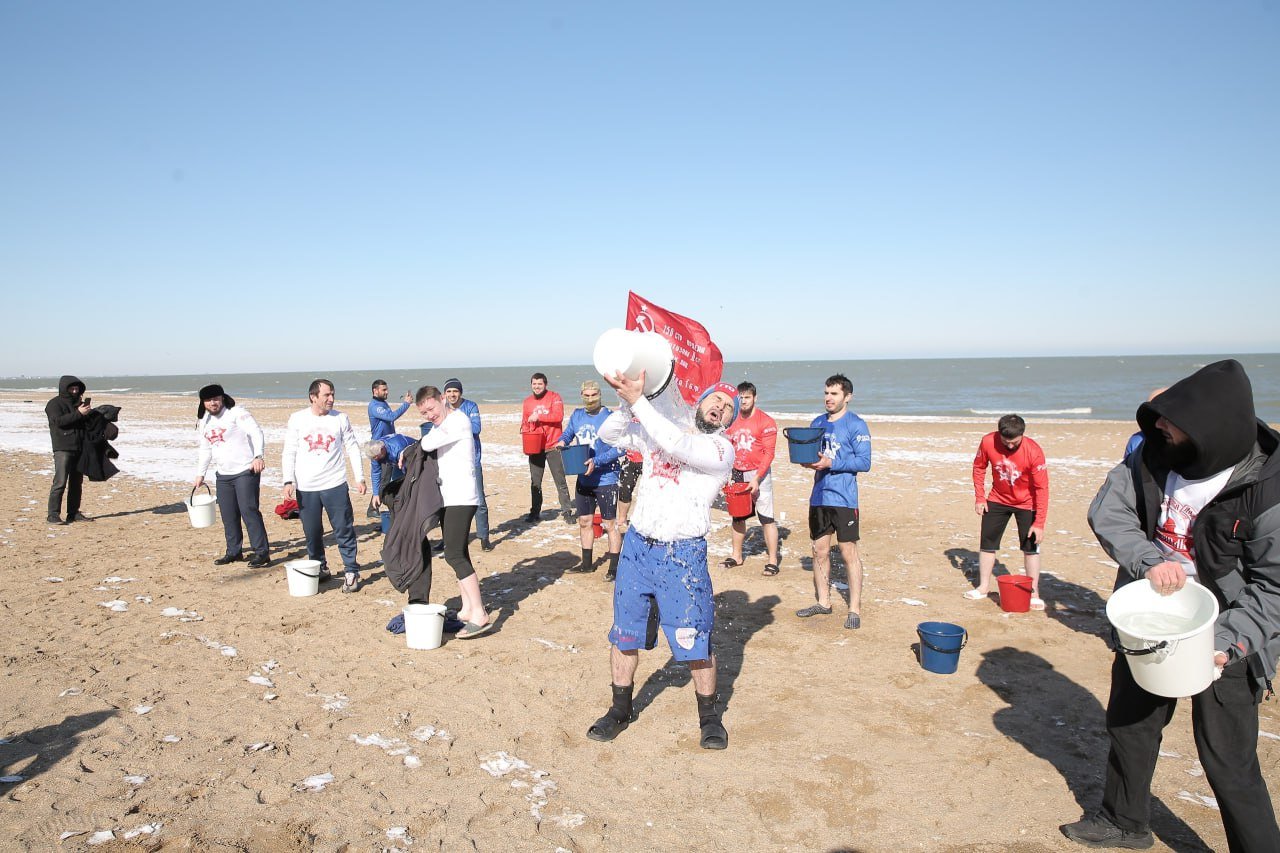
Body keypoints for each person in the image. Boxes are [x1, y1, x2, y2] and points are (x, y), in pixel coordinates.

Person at [1062, 360, 1280, 852]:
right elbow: (1108, 509)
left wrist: (1225, 644)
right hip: (1149, 618)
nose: (1157, 426)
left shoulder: (1268, 489)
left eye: (1170, 420)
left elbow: (1275, 588)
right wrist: (1148, 559)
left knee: (1229, 759)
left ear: (1209, 427)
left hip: (1226, 632)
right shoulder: (1154, 456)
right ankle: (1124, 823)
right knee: (1131, 725)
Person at [588, 375, 738, 750]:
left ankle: (709, 718)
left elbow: (678, 443)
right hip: (638, 549)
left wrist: (640, 402)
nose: (719, 406)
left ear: (728, 421)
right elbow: (609, 435)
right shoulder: (660, 430)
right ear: (699, 402)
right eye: (714, 399)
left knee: (695, 641)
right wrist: (626, 403)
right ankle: (619, 710)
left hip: (683, 555)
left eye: (728, 407)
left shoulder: (721, 450)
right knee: (625, 634)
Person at [416, 385, 493, 638]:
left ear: (442, 400)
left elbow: (428, 443)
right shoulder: (442, 425)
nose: (429, 415)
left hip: (462, 497)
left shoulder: (458, 421)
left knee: (453, 554)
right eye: (424, 413)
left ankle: (480, 613)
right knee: (459, 551)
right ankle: (467, 608)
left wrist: (425, 438)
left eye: (431, 408)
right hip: (449, 497)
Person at [798, 374, 871, 630]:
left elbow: (864, 462)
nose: (828, 398)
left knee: (848, 551)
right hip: (819, 496)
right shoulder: (817, 422)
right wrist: (807, 460)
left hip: (844, 498)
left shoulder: (856, 425)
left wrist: (832, 463)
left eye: (834, 394)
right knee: (819, 549)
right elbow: (812, 455)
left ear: (847, 397)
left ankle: (854, 608)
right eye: (826, 393)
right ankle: (824, 602)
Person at [281, 379, 368, 593]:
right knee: (312, 532)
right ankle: (319, 567)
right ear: (313, 397)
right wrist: (287, 480)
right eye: (326, 395)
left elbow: (353, 447)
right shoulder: (297, 419)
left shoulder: (340, 418)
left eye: (332, 394)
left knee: (343, 529)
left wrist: (360, 477)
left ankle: (351, 571)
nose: (331, 399)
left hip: (335, 484)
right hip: (306, 487)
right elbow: (289, 450)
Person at [966, 414, 1050, 610]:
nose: (1010, 446)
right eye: (1006, 442)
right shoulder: (988, 441)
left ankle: (1034, 593)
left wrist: (1039, 523)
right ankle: (983, 587)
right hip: (997, 499)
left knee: (1031, 548)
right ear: (999, 434)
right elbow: (979, 467)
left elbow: (1042, 488)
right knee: (987, 544)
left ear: (1022, 434)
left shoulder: (1034, 451)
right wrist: (980, 497)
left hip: (1027, 503)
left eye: (1015, 442)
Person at [192, 384, 269, 567]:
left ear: (222, 398)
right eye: (209, 400)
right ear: (203, 403)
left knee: (248, 511)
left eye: (216, 399)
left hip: (245, 471)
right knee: (228, 515)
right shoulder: (204, 422)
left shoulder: (237, 413)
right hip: (223, 475)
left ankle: (261, 552)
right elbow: (205, 449)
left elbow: (256, 432)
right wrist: (200, 474)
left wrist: (258, 456)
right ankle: (234, 551)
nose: (213, 403)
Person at [558, 380, 624, 579]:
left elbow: (620, 448)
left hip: (606, 479)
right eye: (586, 395)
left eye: (593, 395)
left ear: (600, 395)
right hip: (583, 479)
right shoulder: (577, 415)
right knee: (585, 522)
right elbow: (569, 433)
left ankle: (613, 568)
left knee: (609, 524)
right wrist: (562, 441)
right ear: (581, 395)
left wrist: (597, 460)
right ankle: (586, 564)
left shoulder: (610, 418)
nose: (590, 399)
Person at [722, 381, 780, 576]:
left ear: (755, 398)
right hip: (737, 472)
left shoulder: (766, 421)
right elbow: (726, 448)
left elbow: (769, 453)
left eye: (747, 397)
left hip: (759, 473)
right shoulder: (732, 419)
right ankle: (736, 555)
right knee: (738, 517)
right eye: (741, 397)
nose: (743, 401)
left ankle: (772, 560)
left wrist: (756, 478)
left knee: (766, 518)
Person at [443, 378, 492, 551]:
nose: (452, 395)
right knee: (448, 502)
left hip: (472, 461)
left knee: (479, 500)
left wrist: (453, 426)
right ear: (444, 394)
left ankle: (484, 536)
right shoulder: (443, 409)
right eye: (449, 391)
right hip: (449, 461)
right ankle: (447, 538)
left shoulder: (471, 406)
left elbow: (476, 428)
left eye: (455, 391)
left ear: (460, 393)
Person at [520, 373, 574, 523]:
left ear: (545, 384)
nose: (537, 387)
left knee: (560, 480)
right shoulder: (527, 402)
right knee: (535, 482)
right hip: (535, 447)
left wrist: (539, 417)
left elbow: (558, 416)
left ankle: (567, 511)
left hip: (553, 445)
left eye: (540, 384)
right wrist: (526, 430)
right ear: (531, 385)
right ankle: (535, 512)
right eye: (534, 384)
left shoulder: (554, 397)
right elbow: (525, 422)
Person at [45, 375, 92, 524]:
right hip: (63, 448)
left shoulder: (79, 403)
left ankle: (73, 513)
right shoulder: (54, 404)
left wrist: (88, 414)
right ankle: (53, 515)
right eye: (71, 388)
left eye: (77, 388)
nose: (74, 390)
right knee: (60, 482)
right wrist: (78, 413)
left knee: (76, 484)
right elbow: (58, 422)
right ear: (64, 388)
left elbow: (83, 424)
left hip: (79, 447)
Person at [363, 432, 416, 534]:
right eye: (374, 458)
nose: (376, 460)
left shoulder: (397, 449)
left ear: (382, 449)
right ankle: (398, 520)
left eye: (377, 457)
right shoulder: (376, 452)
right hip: (396, 463)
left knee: (407, 490)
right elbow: (375, 472)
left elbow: (410, 471)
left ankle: (410, 519)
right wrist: (375, 494)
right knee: (396, 491)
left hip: (412, 459)